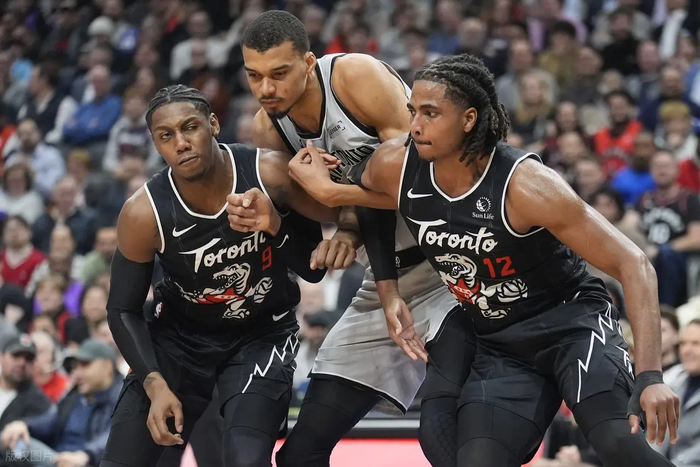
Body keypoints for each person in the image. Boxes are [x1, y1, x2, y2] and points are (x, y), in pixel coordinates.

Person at [285, 54, 681, 467]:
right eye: (412, 111)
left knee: (617, 444)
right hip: (502, 343)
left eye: (430, 113)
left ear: (469, 119)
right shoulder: (395, 163)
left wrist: (651, 376)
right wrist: (332, 197)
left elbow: (635, 264)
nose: (415, 125)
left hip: (572, 327)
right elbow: (371, 200)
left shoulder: (526, 185)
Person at [236, 10, 475, 467]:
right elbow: (313, 258)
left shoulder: (355, 77)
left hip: (452, 264)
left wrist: (338, 205)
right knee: (299, 455)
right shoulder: (269, 129)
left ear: (308, 63)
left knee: (443, 437)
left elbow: (416, 185)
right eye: (254, 76)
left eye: (279, 74)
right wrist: (276, 220)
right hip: (387, 278)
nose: (266, 88)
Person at [99, 85, 358, 467]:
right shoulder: (143, 213)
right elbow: (122, 309)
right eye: (166, 136)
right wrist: (153, 382)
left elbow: (312, 270)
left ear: (214, 124)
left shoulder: (268, 172)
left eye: (190, 128)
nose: (181, 143)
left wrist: (274, 225)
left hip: (262, 334)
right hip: (179, 339)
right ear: (156, 144)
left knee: (246, 460)